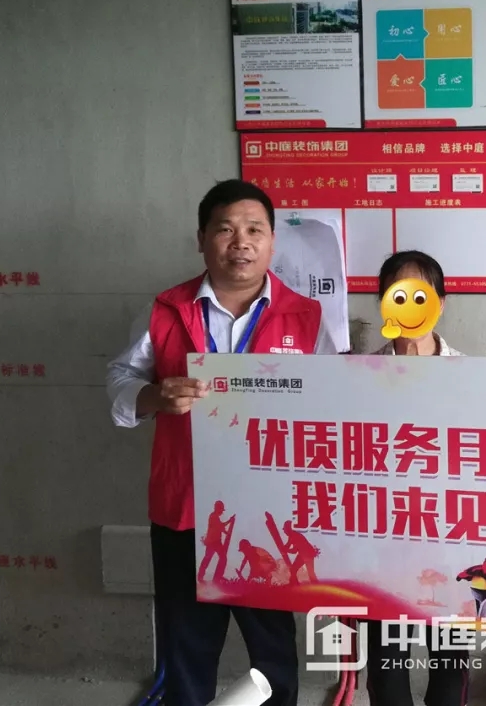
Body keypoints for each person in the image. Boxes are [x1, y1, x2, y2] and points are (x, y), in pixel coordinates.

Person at [106, 179, 336, 706]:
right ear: (202, 239)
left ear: (272, 242)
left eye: (255, 230)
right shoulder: (166, 310)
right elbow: (119, 378)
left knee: (273, 654)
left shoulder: (308, 317)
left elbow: (335, 404)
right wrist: (153, 396)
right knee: (187, 650)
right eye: (226, 229)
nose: (241, 242)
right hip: (185, 511)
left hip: (270, 517)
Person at [363, 250, 468, 706]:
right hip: (383, 548)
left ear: (441, 303)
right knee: (387, 672)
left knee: (449, 671)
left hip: (452, 545)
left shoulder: (475, 378)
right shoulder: (355, 379)